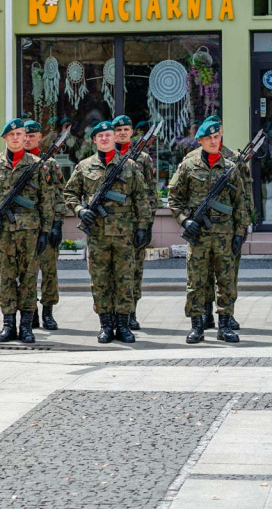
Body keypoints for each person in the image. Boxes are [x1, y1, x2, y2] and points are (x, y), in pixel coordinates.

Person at [63, 120, 150, 344]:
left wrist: (142, 227)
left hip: (124, 234)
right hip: (97, 235)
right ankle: (105, 325)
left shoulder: (130, 166)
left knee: (124, 279)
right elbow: (69, 194)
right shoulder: (83, 166)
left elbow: (141, 199)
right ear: (94, 140)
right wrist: (81, 211)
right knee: (100, 280)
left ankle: (123, 325)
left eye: (108, 135)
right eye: (100, 136)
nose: (104, 139)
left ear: (114, 138)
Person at [0, 118, 54, 344]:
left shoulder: (37, 164)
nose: (17, 138)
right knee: (6, 278)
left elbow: (46, 201)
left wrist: (46, 231)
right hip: (3, 231)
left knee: (28, 278)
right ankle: (8, 325)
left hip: (30, 231)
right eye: (12, 135)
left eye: (20, 134)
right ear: (5, 138)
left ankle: (26, 326)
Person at [168, 118, 248, 344]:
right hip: (199, 234)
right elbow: (174, 198)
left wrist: (240, 233)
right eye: (209, 138)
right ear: (200, 141)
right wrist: (184, 221)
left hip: (225, 234)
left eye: (217, 137)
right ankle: (197, 326)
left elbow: (240, 203)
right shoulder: (188, 167)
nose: (214, 142)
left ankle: (225, 326)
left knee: (226, 281)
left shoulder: (231, 168)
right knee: (196, 281)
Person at [113, 114, 158, 331]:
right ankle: (113, 313)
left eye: (126, 129)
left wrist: (147, 223)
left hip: (135, 223)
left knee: (135, 270)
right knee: (111, 271)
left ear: (132, 132)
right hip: (110, 225)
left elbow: (151, 192)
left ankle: (131, 312)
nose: (122, 133)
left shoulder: (143, 158)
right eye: (118, 129)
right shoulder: (104, 156)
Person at [23, 120, 65, 330]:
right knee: (26, 273)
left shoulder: (50, 163)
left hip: (47, 227)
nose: (28, 139)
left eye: (32, 135)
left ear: (40, 137)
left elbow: (59, 196)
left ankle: (48, 311)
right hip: (24, 228)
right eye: (25, 135)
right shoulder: (17, 162)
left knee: (49, 272)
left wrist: (57, 224)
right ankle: (30, 313)